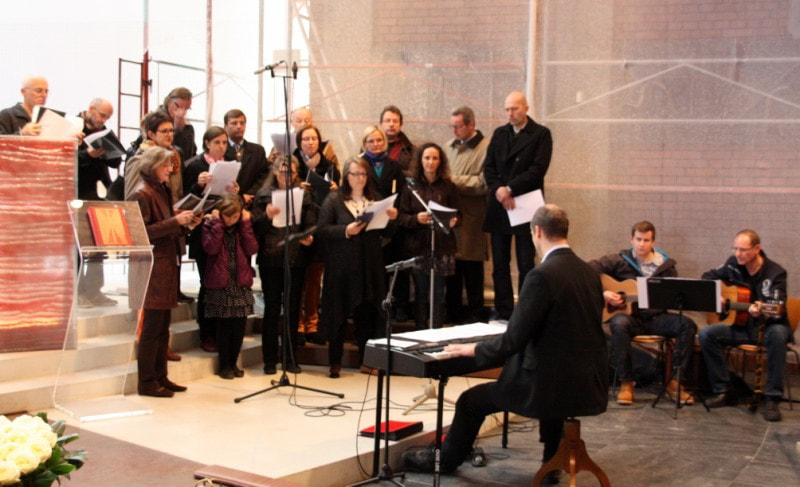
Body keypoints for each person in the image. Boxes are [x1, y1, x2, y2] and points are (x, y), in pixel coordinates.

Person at [402, 204, 607, 477]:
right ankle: (552, 462)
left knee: (470, 401)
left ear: (537, 232)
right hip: (586, 381)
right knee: (551, 383)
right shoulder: (588, 273)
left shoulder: (541, 276)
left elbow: (513, 341)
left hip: (547, 385)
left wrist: (474, 349)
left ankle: (446, 461)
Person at [588, 220, 697, 406]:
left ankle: (674, 382)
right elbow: (586, 271)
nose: (641, 244)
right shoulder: (618, 261)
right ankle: (626, 382)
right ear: (631, 239)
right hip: (630, 318)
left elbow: (673, 296)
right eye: (638, 239)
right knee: (619, 323)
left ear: (653, 242)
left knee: (687, 325)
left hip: (657, 318)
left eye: (646, 240)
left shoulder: (666, 266)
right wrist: (603, 292)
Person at [127, 146, 200, 397]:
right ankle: (146, 382)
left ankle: (161, 376)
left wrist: (186, 223)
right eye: (166, 165)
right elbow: (140, 233)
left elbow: (167, 225)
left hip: (166, 264)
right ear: (153, 166)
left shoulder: (161, 188)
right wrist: (174, 221)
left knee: (162, 327)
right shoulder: (141, 193)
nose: (170, 169)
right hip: (150, 267)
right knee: (151, 329)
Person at [316, 157, 398, 378]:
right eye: (355, 174)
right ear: (346, 176)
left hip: (369, 264)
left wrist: (392, 218)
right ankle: (335, 362)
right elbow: (322, 230)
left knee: (367, 314)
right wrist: (346, 230)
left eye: (363, 174)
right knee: (338, 313)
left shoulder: (375, 198)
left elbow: (388, 233)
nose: (360, 178)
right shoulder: (334, 199)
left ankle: (366, 361)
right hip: (341, 266)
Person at [699, 229, 791, 422]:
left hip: (769, 326)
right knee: (707, 334)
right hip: (742, 326)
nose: (738, 254)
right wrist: (717, 295)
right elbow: (707, 277)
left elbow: (778, 306)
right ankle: (724, 390)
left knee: (777, 335)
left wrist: (763, 308)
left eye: (743, 250)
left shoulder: (775, 273)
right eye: (735, 249)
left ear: (757, 249)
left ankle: (772, 398)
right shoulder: (732, 264)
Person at [483, 91, 552, 320]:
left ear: (526, 108)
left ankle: (525, 311)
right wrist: (499, 190)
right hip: (500, 205)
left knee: (525, 262)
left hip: (525, 204)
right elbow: (489, 167)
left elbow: (538, 169)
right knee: (500, 263)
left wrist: (510, 188)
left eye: (514, 108)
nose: (510, 113)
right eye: (507, 109)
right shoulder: (500, 134)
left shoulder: (541, 134)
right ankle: (503, 310)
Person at [252, 157, 317, 374]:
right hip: (270, 258)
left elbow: (310, 224)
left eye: (291, 173)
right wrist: (267, 217)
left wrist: (308, 237)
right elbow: (255, 228)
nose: (286, 176)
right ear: (274, 171)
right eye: (282, 172)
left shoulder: (303, 194)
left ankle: (289, 357)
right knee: (272, 309)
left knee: (292, 309)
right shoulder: (263, 195)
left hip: (296, 259)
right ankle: (269, 359)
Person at [125, 110, 194, 306]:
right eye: (164, 131)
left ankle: (176, 291)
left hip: (168, 221)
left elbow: (175, 190)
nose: (169, 135)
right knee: (151, 305)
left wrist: (179, 215)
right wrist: (171, 217)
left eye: (171, 130)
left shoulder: (174, 156)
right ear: (151, 134)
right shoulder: (141, 160)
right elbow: (133, 197)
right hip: (153, 231)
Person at [183, 126, 242, 353]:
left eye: (224, 143)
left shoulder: (230, 165)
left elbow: (232, 200)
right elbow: (185, 199)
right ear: (207, 143)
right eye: (217, 142)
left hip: (225, 232)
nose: (221, 147)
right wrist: (198, 185)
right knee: (207, 284)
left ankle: (220, 332)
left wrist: (235, 192)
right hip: (203, 232)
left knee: (223, 284)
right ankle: (206, 333)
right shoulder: (195, 165)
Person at [396, 143, 460, 329]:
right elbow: (401, 217)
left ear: (440, 161)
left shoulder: (449, 187)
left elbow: (459, 215)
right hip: (418, 246)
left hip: (442, 246)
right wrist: (416, 219)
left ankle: (436, 332)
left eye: (434, 158)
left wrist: (454, 221)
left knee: (438, 293)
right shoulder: (411, 187)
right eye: (427, 158)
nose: (430, 162)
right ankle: (421, 331)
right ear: (420, 160)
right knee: (421, 292)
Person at [291, 124, 340, 345]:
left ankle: (312, 323)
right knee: (298, 281)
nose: (310, 142)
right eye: (305, 139)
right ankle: (297, 324)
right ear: (299, 142)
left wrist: (335, 190)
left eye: (313, 139)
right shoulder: (292, 165)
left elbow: (340, 198)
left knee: (314, 280)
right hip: (299, 227)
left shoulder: (330, 166)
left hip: (321, 228)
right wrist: (296, 186)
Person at [201, 194, 258, 380]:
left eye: (235, 216)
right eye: (227, 216)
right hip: (221, 283)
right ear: (221, 213)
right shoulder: (211, 225)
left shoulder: (243, 227)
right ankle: (224, 365)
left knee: (239, 326)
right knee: (224, 326)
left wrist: (246, 224)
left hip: (240, 282)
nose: (231, 220)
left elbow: (252, 248)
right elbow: (211, 248)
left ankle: (234, 363)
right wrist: (217, 223)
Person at [443, 106, 490, 324]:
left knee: (472, 268)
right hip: (450, 217)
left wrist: (454, 180)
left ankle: (476, 314)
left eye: (458, 126)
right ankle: (452, 313)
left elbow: (483, 183)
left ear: (471, 124)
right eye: (451, 126)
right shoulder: (448, 147)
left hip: (473, 218)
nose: (454, 131)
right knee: (452, 269)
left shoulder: (486, 148)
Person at [76, 98, 122, 308]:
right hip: (77, 192)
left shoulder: (104, 131)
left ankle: (95, 290)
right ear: (90, 109)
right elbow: (66, 157)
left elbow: (115, 161)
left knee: (98, 244)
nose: (103, 120)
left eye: (107, 117)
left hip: (99, 192)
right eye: (102, 115)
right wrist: (88, 154)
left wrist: (107, 150)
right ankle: (77, 291)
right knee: (78, 245)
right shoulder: (74, 126)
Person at [223, 108, 269, 207]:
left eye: (242, 123)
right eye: (234, 123)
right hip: (227, 203)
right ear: (225, 126)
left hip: (252, 201)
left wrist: (250, 193)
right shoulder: (221, 150)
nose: (239, 126)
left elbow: (264, 176)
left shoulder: (258, 150)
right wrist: (239, 195)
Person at [268, 106, 338, 168]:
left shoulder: (324, 146)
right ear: (292, 123)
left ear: (311, 122)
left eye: (307, 121)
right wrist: (275, 160)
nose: (303, 124)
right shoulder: (283, 143)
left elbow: (334, 169)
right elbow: (270, 167)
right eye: (299, 121)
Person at [380, 104, 415, 173]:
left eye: (395, 121)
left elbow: (413, 175)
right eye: (387, 121)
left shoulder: (411, 150)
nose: (391, 124)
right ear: (381, 124)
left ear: (400, 125)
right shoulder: (369, 146)